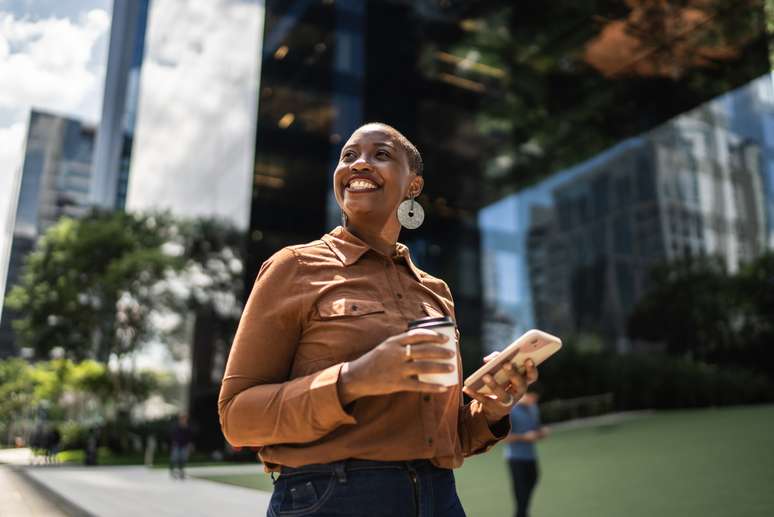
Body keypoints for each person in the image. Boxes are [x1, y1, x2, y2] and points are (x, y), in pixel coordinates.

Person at [218, 122, 539, 516]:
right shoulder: (293, 267)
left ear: (413, 186)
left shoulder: (435, 292)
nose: (359, 164)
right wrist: (355, 379)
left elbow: (440, 436)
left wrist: (489, 409)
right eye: (349, 156)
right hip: (331, 497)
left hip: (439, 497)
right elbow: (237, 417)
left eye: (381, 155)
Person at [503, 389, 550, 517]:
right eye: (531, 398)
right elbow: (505, 438)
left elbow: (536, 428)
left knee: (533, 480)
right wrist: (524, 437)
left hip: (531, 456)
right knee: (521, 496)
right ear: (523, 394)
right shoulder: (511, 410)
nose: (533, 401)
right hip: (515, 458)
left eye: (535, 399)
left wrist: (541, 433)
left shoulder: (533, 408)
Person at [169, 414, 192, 479]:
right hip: (177, 445)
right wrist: (173, 442)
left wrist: (189, 444)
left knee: (183, 459)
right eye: (183, 419)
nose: (184, 420)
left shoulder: (187, 427)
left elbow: (189, 437)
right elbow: (173, 435)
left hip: (184, 445)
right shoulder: (176, 427)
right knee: (174, 458)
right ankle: (172, 471)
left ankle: (181, 472)